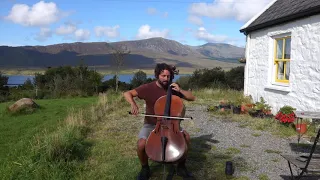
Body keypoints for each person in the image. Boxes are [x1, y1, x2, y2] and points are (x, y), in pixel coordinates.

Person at [123, 63, 196, 180]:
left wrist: (180, 90)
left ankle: (181, 167)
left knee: (186, 137)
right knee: (141, 144)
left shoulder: (174, 88)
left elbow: (192, 97)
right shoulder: (148, 88)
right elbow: (127, 93)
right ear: (157, 75)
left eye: (168, 76)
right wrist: (133, 103)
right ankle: (145, 168)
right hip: (152, 124)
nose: (166, 79)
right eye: (163, 76)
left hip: (172, 125)